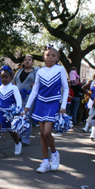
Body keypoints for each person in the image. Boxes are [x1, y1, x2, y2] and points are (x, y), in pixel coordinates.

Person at [23, 45, 69, 173]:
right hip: (40, 103)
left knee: (47, 132)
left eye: (53, 55)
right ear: (44, 57)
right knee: (42, 135)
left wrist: (63, 106)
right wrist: (27, 107)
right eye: (48, 55)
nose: (50, 57)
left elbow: (65, 89)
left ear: (57, 58)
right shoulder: (40, 71)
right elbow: (35, 90)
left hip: (53, 102)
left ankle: (54, 154)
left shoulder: (60, 69)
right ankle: (45, 162)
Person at [12, 54, 39, 146]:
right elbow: (14, 82)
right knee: (18, 116)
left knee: (27, 117)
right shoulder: (19, 71)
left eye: (29, 60)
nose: (27, 61)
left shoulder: (36, 71)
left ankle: (25, 140)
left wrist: (36, 84)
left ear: (32, 61)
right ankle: (19, 135)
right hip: (18, 96)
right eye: (25, 59)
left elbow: (41, 81)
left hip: (29, 97)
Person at [82, 70, 95, 134]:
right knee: (90, 113)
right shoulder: (92, 83)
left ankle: (94, 129)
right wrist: (89, 94)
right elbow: (83, 87)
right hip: (92, 100)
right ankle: (86, 127)